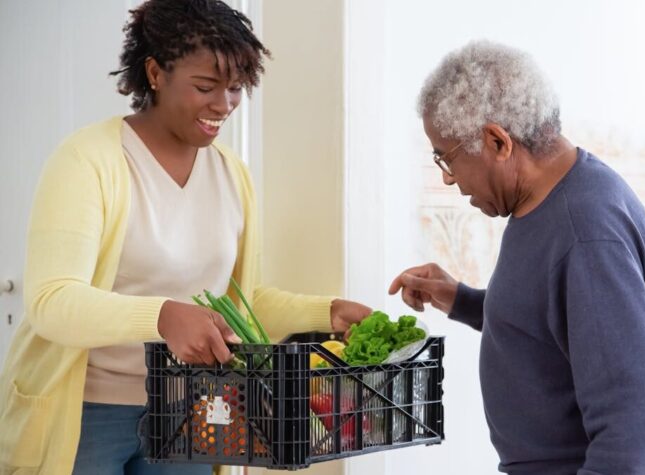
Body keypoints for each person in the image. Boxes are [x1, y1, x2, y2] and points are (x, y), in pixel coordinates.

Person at [0, 1, 371, 474]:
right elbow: (52, 301)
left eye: (236, 89)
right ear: (155, 73)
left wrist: (325, 312)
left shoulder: (232, 175)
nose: (223, 105)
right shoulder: (87, 162)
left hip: (187, 410)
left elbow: (237, 302)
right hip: (83, 412)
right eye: (204, 87)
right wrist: (163, 316)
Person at [389, 41, 645, 475]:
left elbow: (636, 428)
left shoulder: (585, 231)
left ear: (497, 142)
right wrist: (461, 299)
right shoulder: (549, 203)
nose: (448, 179)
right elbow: (554, 320)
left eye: (447, 157)